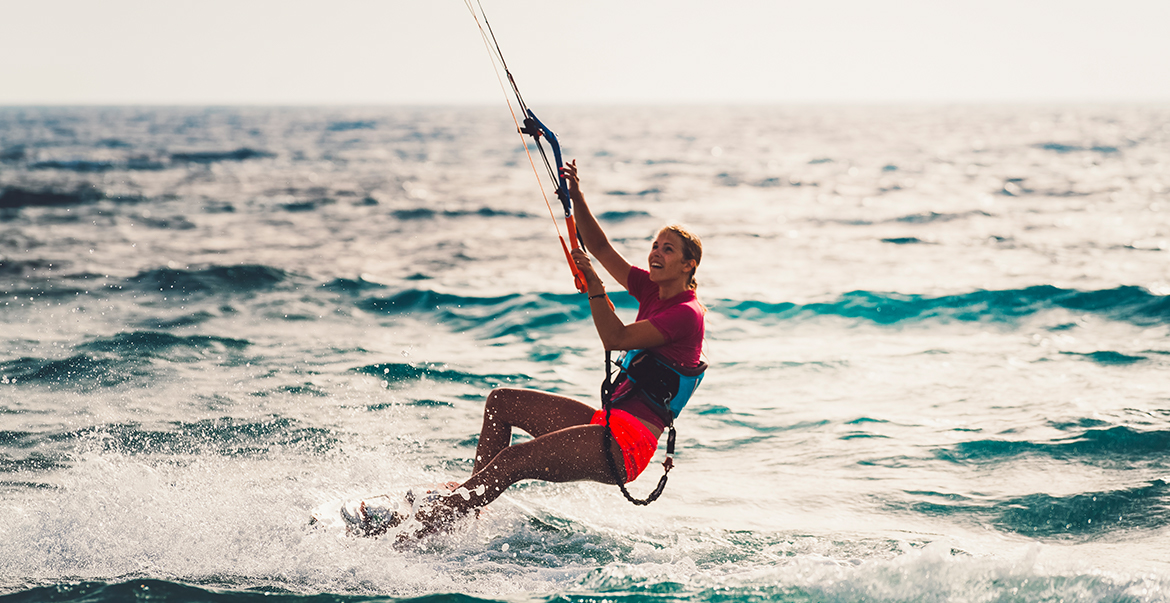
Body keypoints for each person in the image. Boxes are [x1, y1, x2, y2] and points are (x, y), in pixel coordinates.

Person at [409, 160, 706, 535]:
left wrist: (596, 285)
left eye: (668, 249)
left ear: (687, 266)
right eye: (654, 245)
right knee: (501, 402)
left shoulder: (686, 314)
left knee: (512, 460)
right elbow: (598, 245)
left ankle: (425, 525)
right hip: (608, 424)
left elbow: (615, 339)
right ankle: (468, 508)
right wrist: (575, 192)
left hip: (627, 445)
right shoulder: (651, 287)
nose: (655, 253)